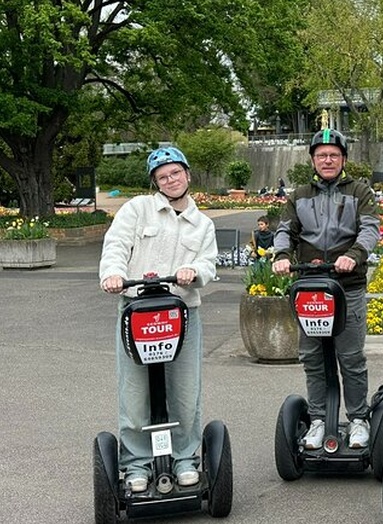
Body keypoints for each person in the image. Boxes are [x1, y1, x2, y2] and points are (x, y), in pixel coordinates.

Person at [99, 146, 218, 493]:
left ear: (188, 174)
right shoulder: (138, 209)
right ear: (155, 181)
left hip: (181, 314)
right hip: (136, 312)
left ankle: (184, 458)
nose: (171, 180)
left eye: (176, 173)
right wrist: (113, 274)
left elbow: (208, 264)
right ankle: (136, 463)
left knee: (185, 393)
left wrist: (193, 271)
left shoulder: (202, 223)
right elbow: (116, 245)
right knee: (134, 394)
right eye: (163, 176)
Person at [272, 128, 380, 450]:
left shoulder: (360, 191)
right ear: (313, 160)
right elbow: (284, 231)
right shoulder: (299, 194)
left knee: (350, 357)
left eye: (334, 154)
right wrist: (281, 255)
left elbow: (370, 230)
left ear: (343, 159)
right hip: (310, 288)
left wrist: (354, 255)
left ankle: (358, 418)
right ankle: (318, 418)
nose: (328, 160)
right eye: (322, 155)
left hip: (347, 286)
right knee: (312, 356)